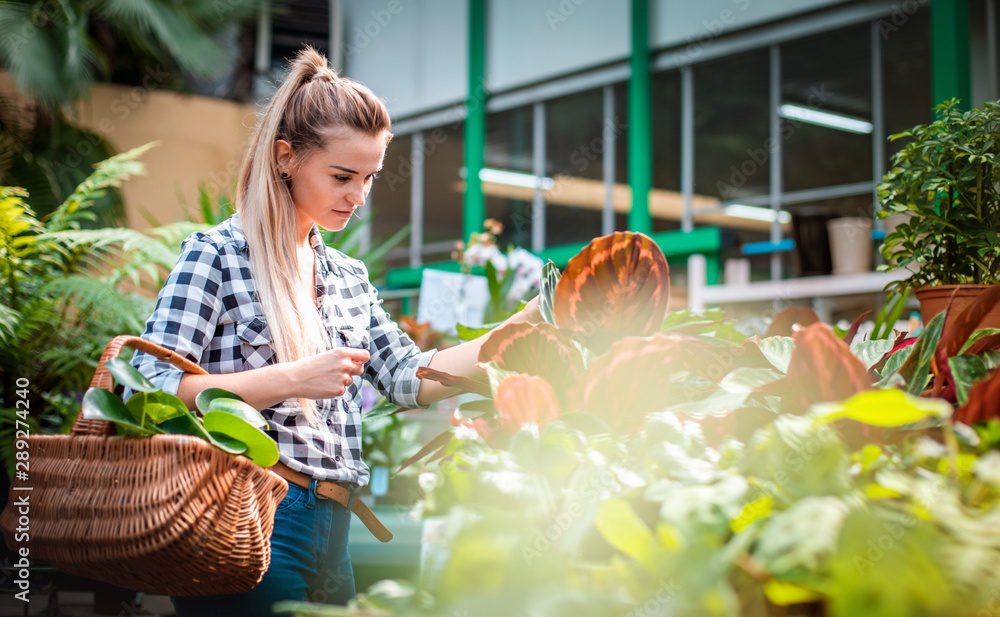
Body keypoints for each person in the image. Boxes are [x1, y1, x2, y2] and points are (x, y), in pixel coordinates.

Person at [129, 46, 540, 616]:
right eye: (343, 176)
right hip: (245, 516)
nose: (359, 196)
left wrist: (532, 322)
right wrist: (292, 377)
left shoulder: (346, 276)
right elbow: (146, 387)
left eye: (370, 177)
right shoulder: (217, 254)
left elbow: (408, 377)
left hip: (335, 525)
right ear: (285, 158)